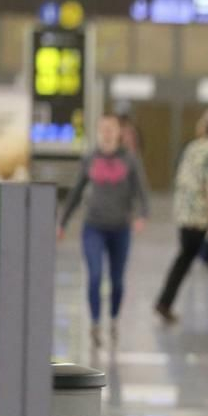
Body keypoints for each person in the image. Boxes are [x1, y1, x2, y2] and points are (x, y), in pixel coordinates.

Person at [59, 114, 150, 347]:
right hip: (94, 226)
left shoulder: (129, 159)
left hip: (120, 228)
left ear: (119, 132)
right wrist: (62, 222)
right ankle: (95, 323)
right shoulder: (90, 158)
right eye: (103, 128)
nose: (107, 132)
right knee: (95, 275)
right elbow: (76, 192)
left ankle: (114, 319)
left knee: (117, 280)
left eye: (112, 128)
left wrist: (142, 215)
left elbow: (141, 191)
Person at [155, 108, 208, 324]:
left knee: (185, 258)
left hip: (185, 216)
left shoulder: (193, 147)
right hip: (203, 219)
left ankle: (164, 302)